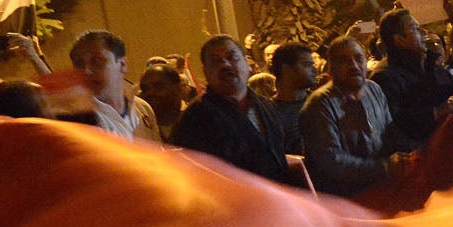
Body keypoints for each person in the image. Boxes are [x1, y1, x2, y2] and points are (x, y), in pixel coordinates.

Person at [169, 35, 297, 185]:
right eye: (216, 61)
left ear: (246, 62)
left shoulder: (266, 105)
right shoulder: (196, 117)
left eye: (232, 57)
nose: (225, 65)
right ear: (205, 71)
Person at [300, 34, 401, 198]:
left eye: (358, 58)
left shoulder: (374, 90)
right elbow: (331, 162)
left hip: (384, 188)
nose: (353, 65)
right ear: (330, 68)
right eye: (343, 61)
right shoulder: (319, 106)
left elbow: (390, 134)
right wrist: (383, 168)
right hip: (345, 200)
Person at [371, 9, 451, 155]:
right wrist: (435, 113)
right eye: (414, 28)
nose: (423, 31)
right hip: (421, 159)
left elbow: (451, 88)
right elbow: (394, 122)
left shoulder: (429, 65)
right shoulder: (385, 77)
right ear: (399, 39)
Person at [69, 31, 161, 143]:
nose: (86, 71)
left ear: (122, 65)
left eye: (96, 61)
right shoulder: (79, 122)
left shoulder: (142, 108)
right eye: (79, 64)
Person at [265, 42, 318, 157]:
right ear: (286, 69)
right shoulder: (269, 113)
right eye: (307, 65)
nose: (314, 70)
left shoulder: (321, 103)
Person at [136, 59, 190, 142]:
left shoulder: (196, 123)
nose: (151, 93)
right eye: (145, 89)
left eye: (159, 87)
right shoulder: (137, 127)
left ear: (179, 88)